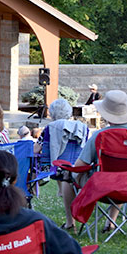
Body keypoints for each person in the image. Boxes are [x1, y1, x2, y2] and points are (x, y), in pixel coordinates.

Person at [73, 90, 127, 231]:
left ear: (106, 115)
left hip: (104, 189)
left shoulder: (100, 135)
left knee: (68, 176)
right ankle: (111, 222)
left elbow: (80, 165)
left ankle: (70, 223)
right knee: (122, 173)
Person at [40, 98, 88, 232]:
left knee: (66, 175)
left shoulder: (50, 128)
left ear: (52, 114)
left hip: (58, 168)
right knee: (69, 171)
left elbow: (36, 149)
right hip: (80, 169)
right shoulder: (83, 127)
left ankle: (70, 222)